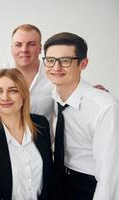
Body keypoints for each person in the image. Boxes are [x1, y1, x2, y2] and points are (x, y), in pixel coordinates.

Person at [43, 32, 119, 200]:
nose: (56, 68)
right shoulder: (54, 95)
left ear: (83, 64)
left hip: (88, 185)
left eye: (65, 61)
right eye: (50, 60)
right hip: (59, 179)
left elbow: (109, 176)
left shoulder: (104, 107)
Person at [0, 68, 53, 200]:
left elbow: (50, 178)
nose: (5, 97)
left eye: (13, 91)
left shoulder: (41, 125)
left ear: (23, 94)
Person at [11, 24, 54, 121]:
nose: (24, 50)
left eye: (31, 44)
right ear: (12, 49)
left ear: (40, 49)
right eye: (18, 45)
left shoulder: (54, 75)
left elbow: (72, 91)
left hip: (44, 135)